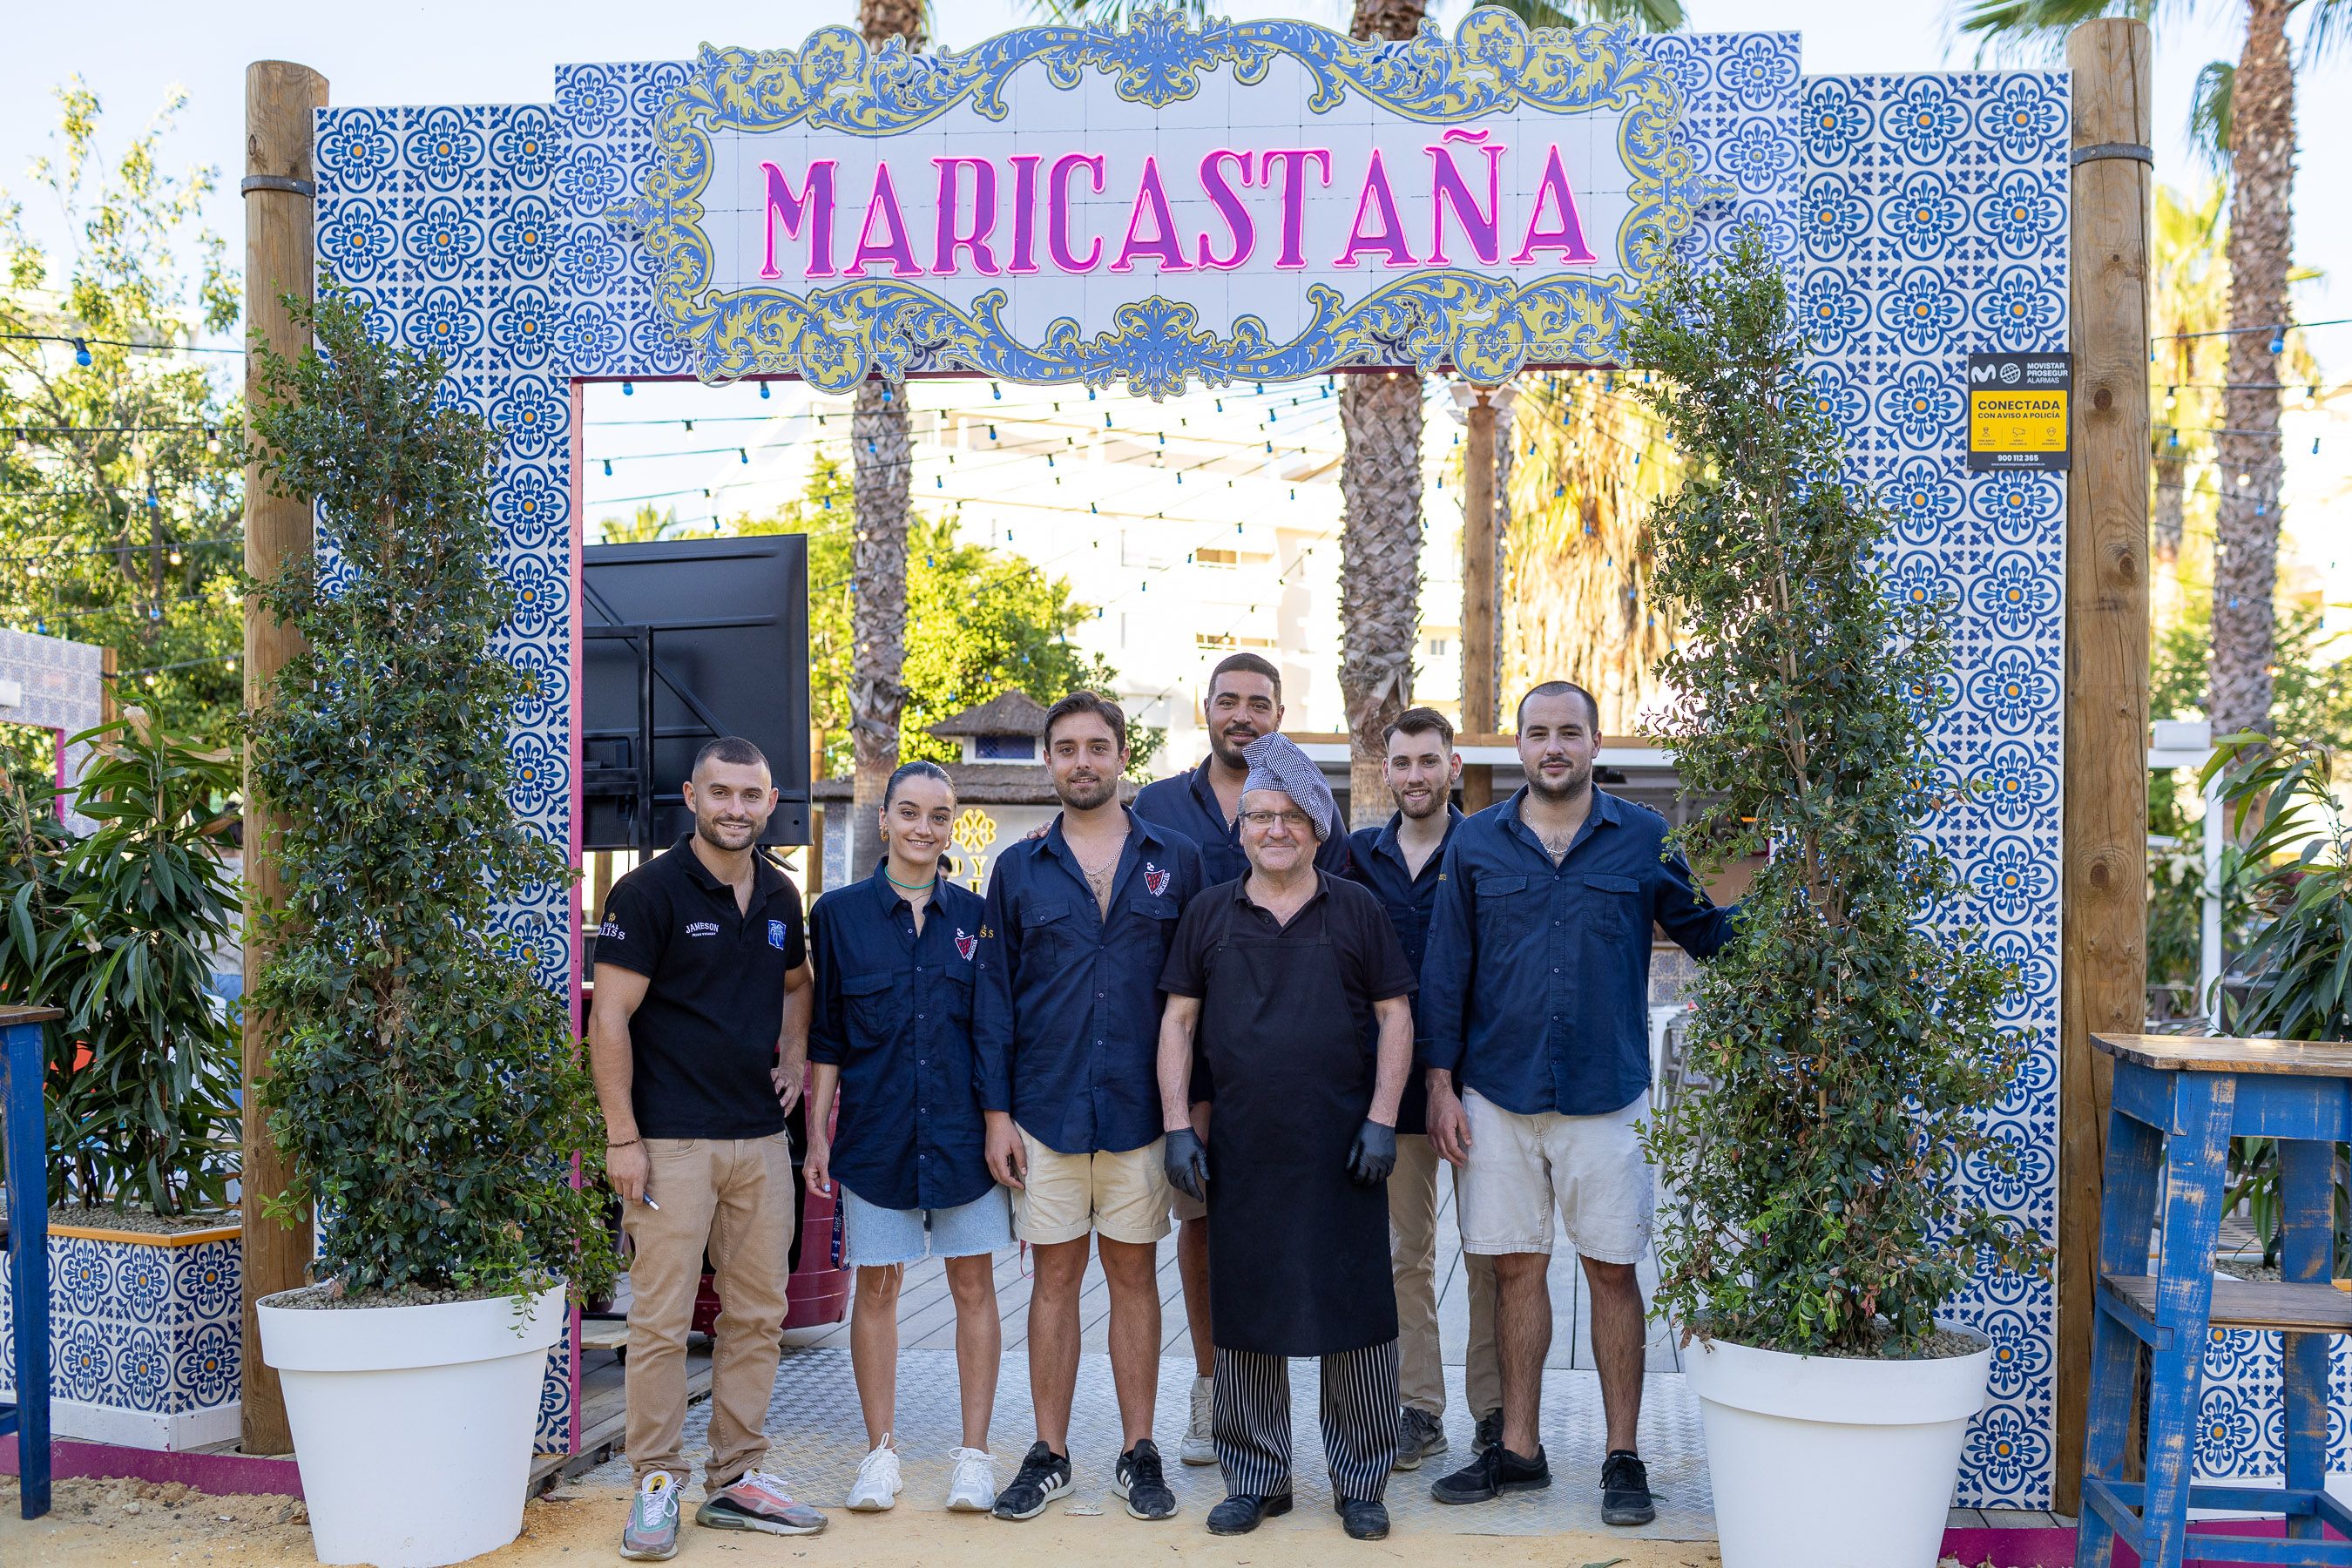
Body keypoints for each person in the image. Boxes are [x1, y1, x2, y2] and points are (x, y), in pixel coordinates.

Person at [1421, 683, 1735, 1528]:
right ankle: (1518, 1450)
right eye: (1537, 733)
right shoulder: (1478, 843)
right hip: (1497, 1093)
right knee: (1514, 1267)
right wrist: (1441, 1085)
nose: (1552, 746)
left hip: (1605, 1094)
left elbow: (1706, 931)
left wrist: (1803, 909)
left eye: (1569, 732)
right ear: (1517, 747)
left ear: (1595, 743)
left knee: (1611, 1269)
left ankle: (1621, 1457)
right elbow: (1446, 972)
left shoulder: (1642, 837)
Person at [1156, 732, 1416, 1543]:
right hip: (1240, 1148)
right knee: (1246, 1316)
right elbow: (1179, 1021)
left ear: (1317, 829)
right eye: (1260, 815)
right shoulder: (1208, 912)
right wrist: (1175, 1128)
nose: (1275, 829)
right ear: (1241, 829)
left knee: (1357, 1316)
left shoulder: (1358, 908)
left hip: (1345, 1150)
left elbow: (1395, 1015)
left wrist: (1381, 1119)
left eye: (1291, 817)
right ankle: (1256, 1478)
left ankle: (1360, 1479)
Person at [590, 736, 829, 1561]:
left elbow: (797, 984)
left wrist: (794, 1056)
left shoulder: (779, 894)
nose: (736, 808)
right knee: (659, 1321)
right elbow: (608, 1019)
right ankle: (656, 1483)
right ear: (691, 796)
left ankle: (736, 1480)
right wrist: (623, 1136)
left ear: (770, 805)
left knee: (758, 1315)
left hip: (759, 1142)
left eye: (751, 795)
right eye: (720, 792)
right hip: (669, 1142)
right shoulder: (648, 892)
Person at [975, 691, 1206, 1524]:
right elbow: (995, 1000)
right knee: (1054, 1281)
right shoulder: (1018, 868)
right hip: (1046, 1110)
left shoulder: (1175, 859)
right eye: (1067, 747)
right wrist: (997, 1116)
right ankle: (1051, 1451)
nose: (1082, 761)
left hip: (1144, 1113)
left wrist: (1194, 1113)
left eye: (1097, 746)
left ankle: (1139, 1449)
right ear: (1049, 760)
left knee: (1134, 1277)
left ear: (1121, 757)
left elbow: (1200, 992)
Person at [1131, 651, 1353, 1466]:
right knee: (1201, 1227)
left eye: (1259, 703)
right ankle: (1213, 1388)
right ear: (1205, 710)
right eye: (1229, 701)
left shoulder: (1311, 803)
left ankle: (1331, 1411)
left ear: (1281, 714)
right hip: (1194, 1058)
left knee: (1301, 1225)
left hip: (1294, 1064)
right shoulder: (1155, 807)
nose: (1243, 715)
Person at [805, 760, 1007, 1516]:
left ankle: (975, 1457)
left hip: (961, 1137)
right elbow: (827, 1038)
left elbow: (992, 1032)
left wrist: (998, 1123)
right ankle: (879, 1454)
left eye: (940, 816)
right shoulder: (837, 915)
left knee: (973, 1287)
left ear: (953, 826)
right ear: (884, 819)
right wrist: (818, 1137)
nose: (926, 828)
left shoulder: (977, 918)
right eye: (911, 813)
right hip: (875, 1135)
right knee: (878, 1289)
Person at [1345, 707, 1501, 1470]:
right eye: (1401, 763)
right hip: (1389, 1090)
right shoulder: (1355, 857)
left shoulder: (1489, 848)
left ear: (1453, 768)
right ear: (1386, 770)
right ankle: (1418, 1409)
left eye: (1427, 761)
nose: (1414, 776)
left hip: (1481, 1087)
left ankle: (1498, 1410)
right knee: (1405, 1253)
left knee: (1493, 1250)